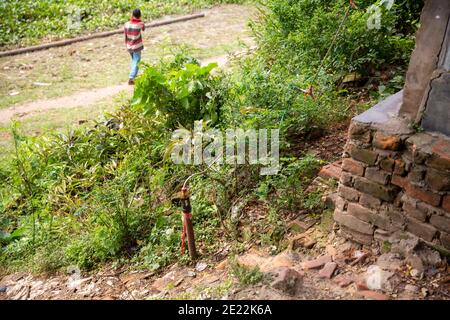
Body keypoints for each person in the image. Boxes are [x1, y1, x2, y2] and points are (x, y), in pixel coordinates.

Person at [124, 9, 145, 85]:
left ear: (132, 15)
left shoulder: (126, 24)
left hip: (129, 46)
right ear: (140, 15)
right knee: (136, 61)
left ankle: (134, 77)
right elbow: (143, 29)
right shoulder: (140, 24)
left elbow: (125, 35)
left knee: (134, 61)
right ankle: (131, 77)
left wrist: (126, 45)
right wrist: (139, 20)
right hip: (136, 46)